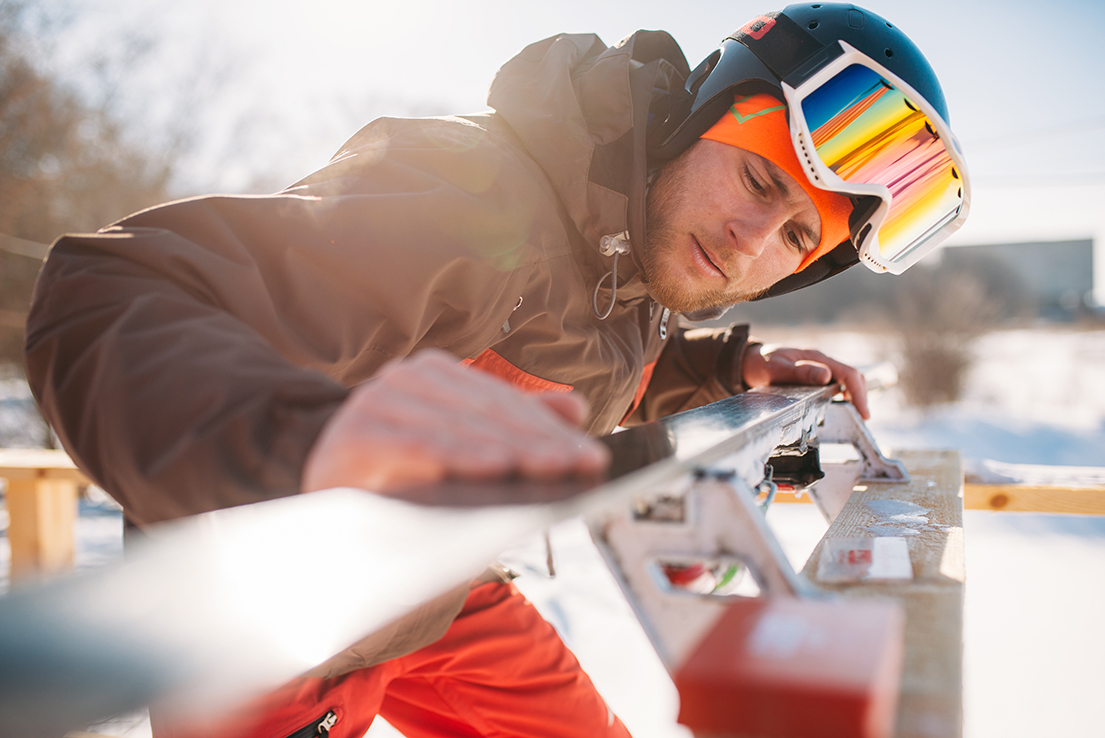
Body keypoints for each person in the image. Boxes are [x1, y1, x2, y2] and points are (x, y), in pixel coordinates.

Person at [24, 3, 969, 737]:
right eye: (761, 180)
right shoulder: (470, 198)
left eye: (796, 236)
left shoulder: (634, 260)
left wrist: (731, 366)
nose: (754, 239)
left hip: (440, 593)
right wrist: (305, 439)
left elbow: (592, 360)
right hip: (273, 619)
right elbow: (110, 290)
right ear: (701, 112)